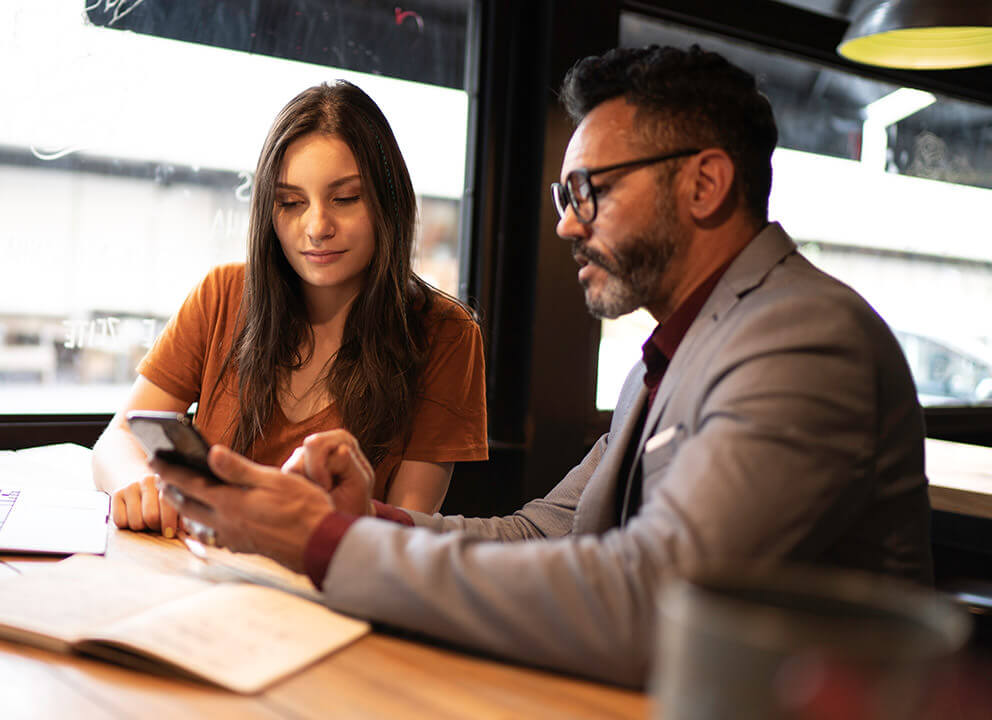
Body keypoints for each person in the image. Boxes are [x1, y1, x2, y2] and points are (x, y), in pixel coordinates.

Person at [151, 45, 933, 688]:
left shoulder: (801, 336)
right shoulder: (673, 358)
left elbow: (650, 600)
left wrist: (325, 543)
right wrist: (368, 519)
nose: (564, 222)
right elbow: (537, 534)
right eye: (564, 193)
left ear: (704, 184)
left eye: (589, 190)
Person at [92, 81, 488, 536]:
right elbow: (118, 437)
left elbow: (404, 532)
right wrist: (139, 482)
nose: (317, 226)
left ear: (389, 202)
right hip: (196, 573)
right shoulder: (223, 294)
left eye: (345, 198)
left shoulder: (445, 334)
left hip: (327, 590)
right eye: (291, 203)